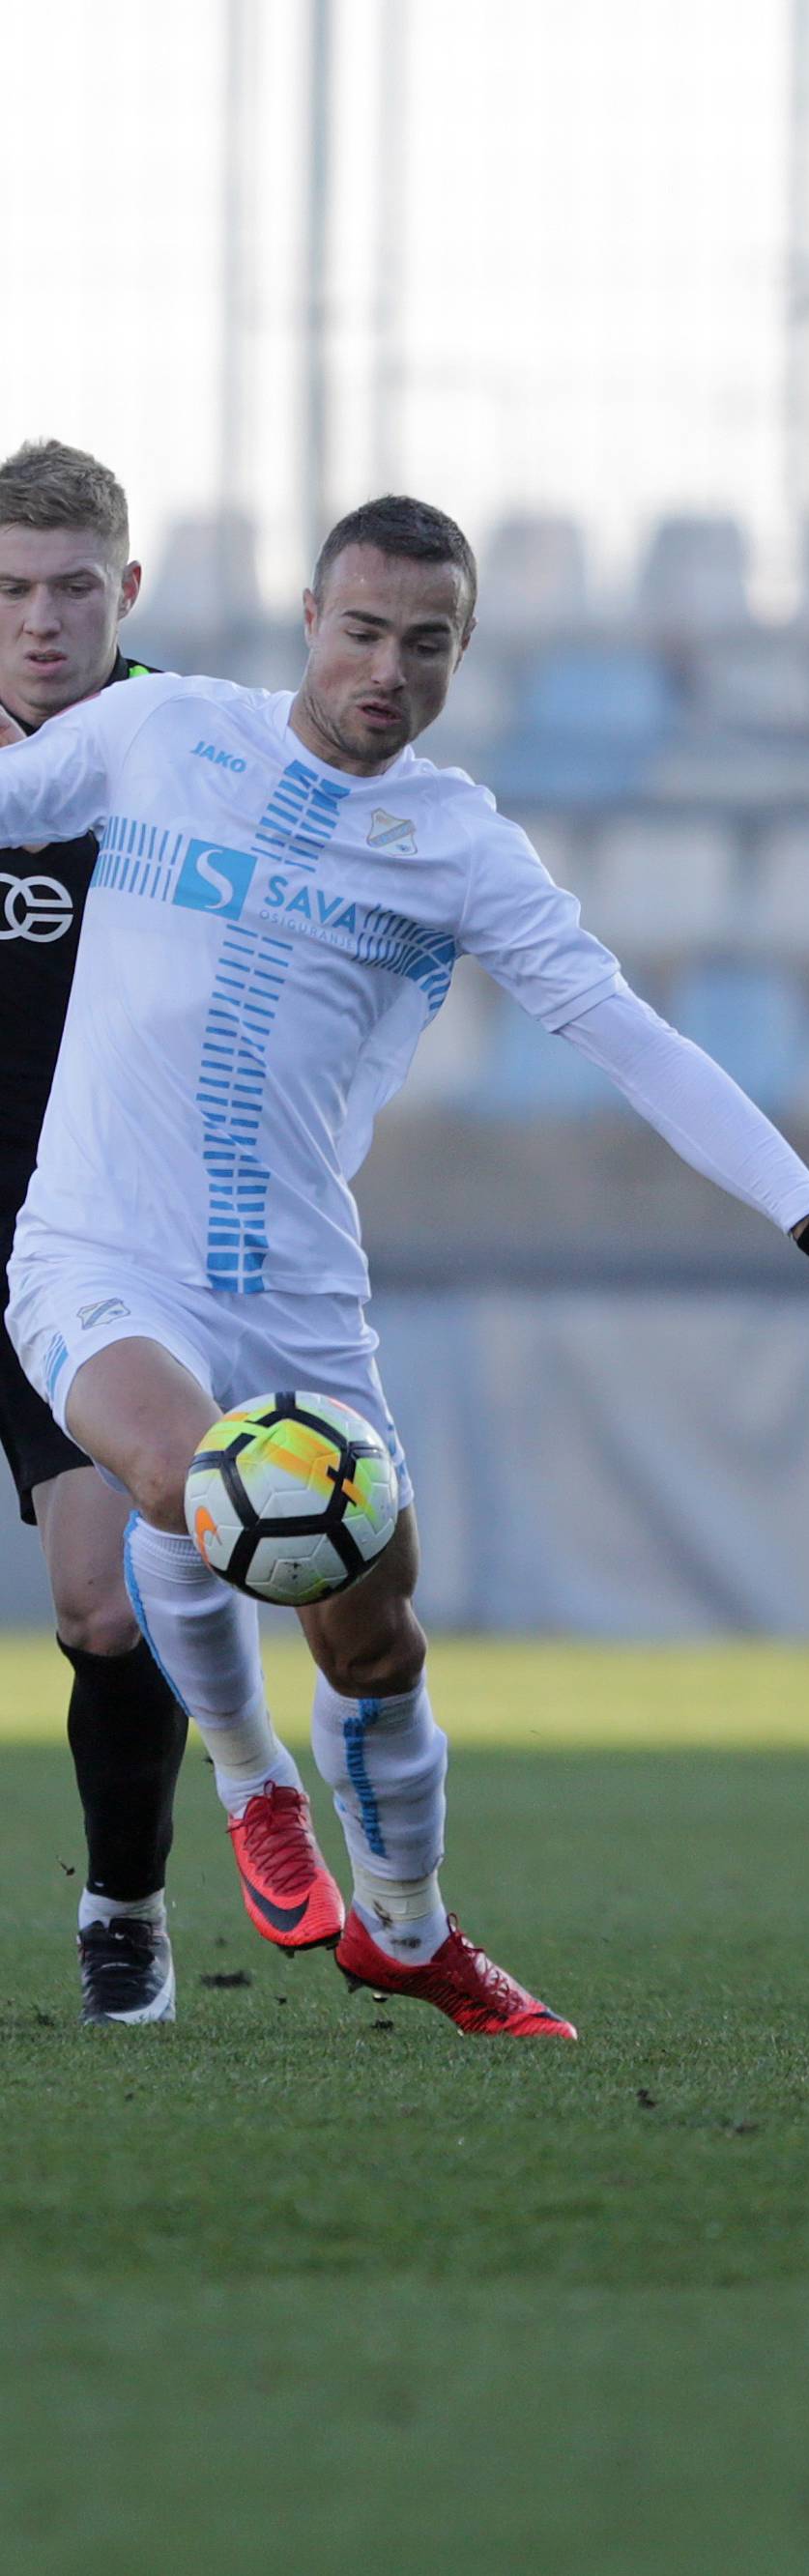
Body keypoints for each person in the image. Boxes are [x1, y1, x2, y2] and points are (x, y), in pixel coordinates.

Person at [0, 492, 809, 2042]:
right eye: (364, 628)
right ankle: (255, 1778)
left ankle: (410, 1927)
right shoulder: (162, 732)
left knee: (377, 1629)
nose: (388, 666)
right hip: (98, 1255)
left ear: (463, 654)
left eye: (426, 642)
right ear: (309, 615)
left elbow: (630, 1040)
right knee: (194, 1476)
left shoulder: (457, 846)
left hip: (302, 1297)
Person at [0, 440, 188, 2027]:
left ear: (125, 589)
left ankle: (124, 1909)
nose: (40, 622)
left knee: (106, 1608)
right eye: (8, 590)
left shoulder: (192, 750)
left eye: (72, 588)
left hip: (77, 1247)